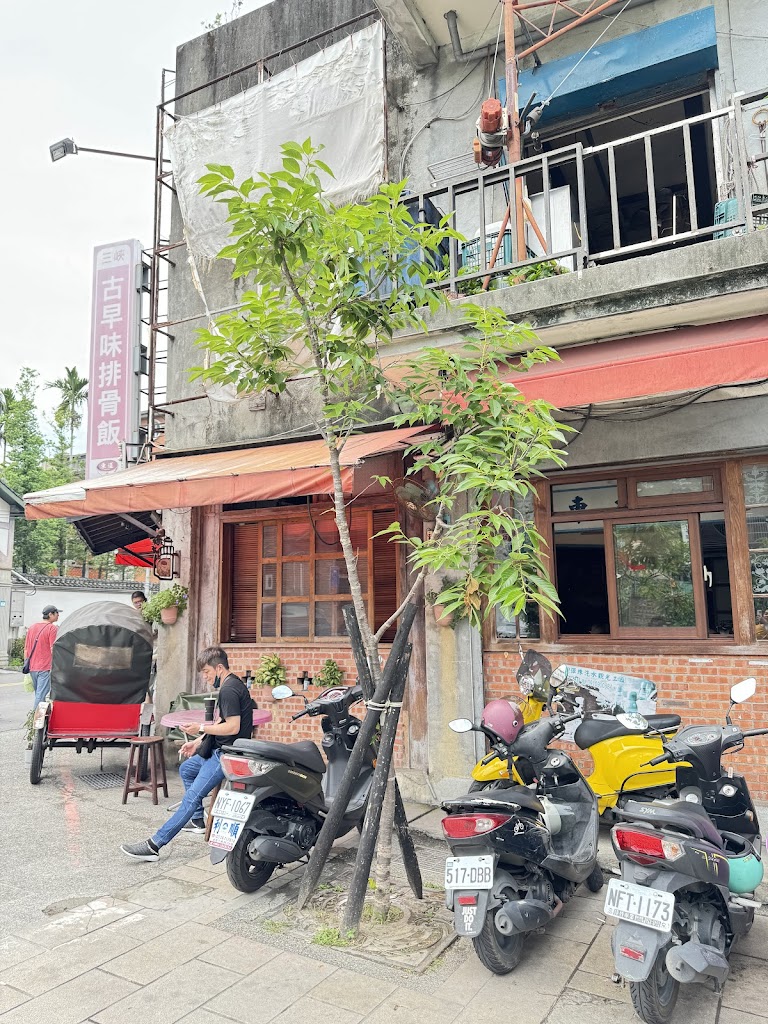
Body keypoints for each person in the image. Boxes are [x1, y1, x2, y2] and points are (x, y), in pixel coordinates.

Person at [120, 645, 253, 861]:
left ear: (219, 668)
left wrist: (200, 728)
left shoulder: (229, 690)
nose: (206, 678)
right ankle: (198, 820)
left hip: (225, 755)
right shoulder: (233, 684)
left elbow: (233, 727)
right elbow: (221, 721)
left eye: (207, 673)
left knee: (192, 798)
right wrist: (198, 742)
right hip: (216, 749)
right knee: (187, 769)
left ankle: (155, 844)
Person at [25, 606, 60, 709]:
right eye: (57, 613)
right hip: (45, 667)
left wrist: (26, 664)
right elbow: (53, 648)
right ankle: (35, 720)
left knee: (39, 694)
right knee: (41, 696)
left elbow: (26, 648)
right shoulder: (52, 628)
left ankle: (40, 718)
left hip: (32, 667)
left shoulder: (32, 627)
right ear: (50, 614)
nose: (58, 615)